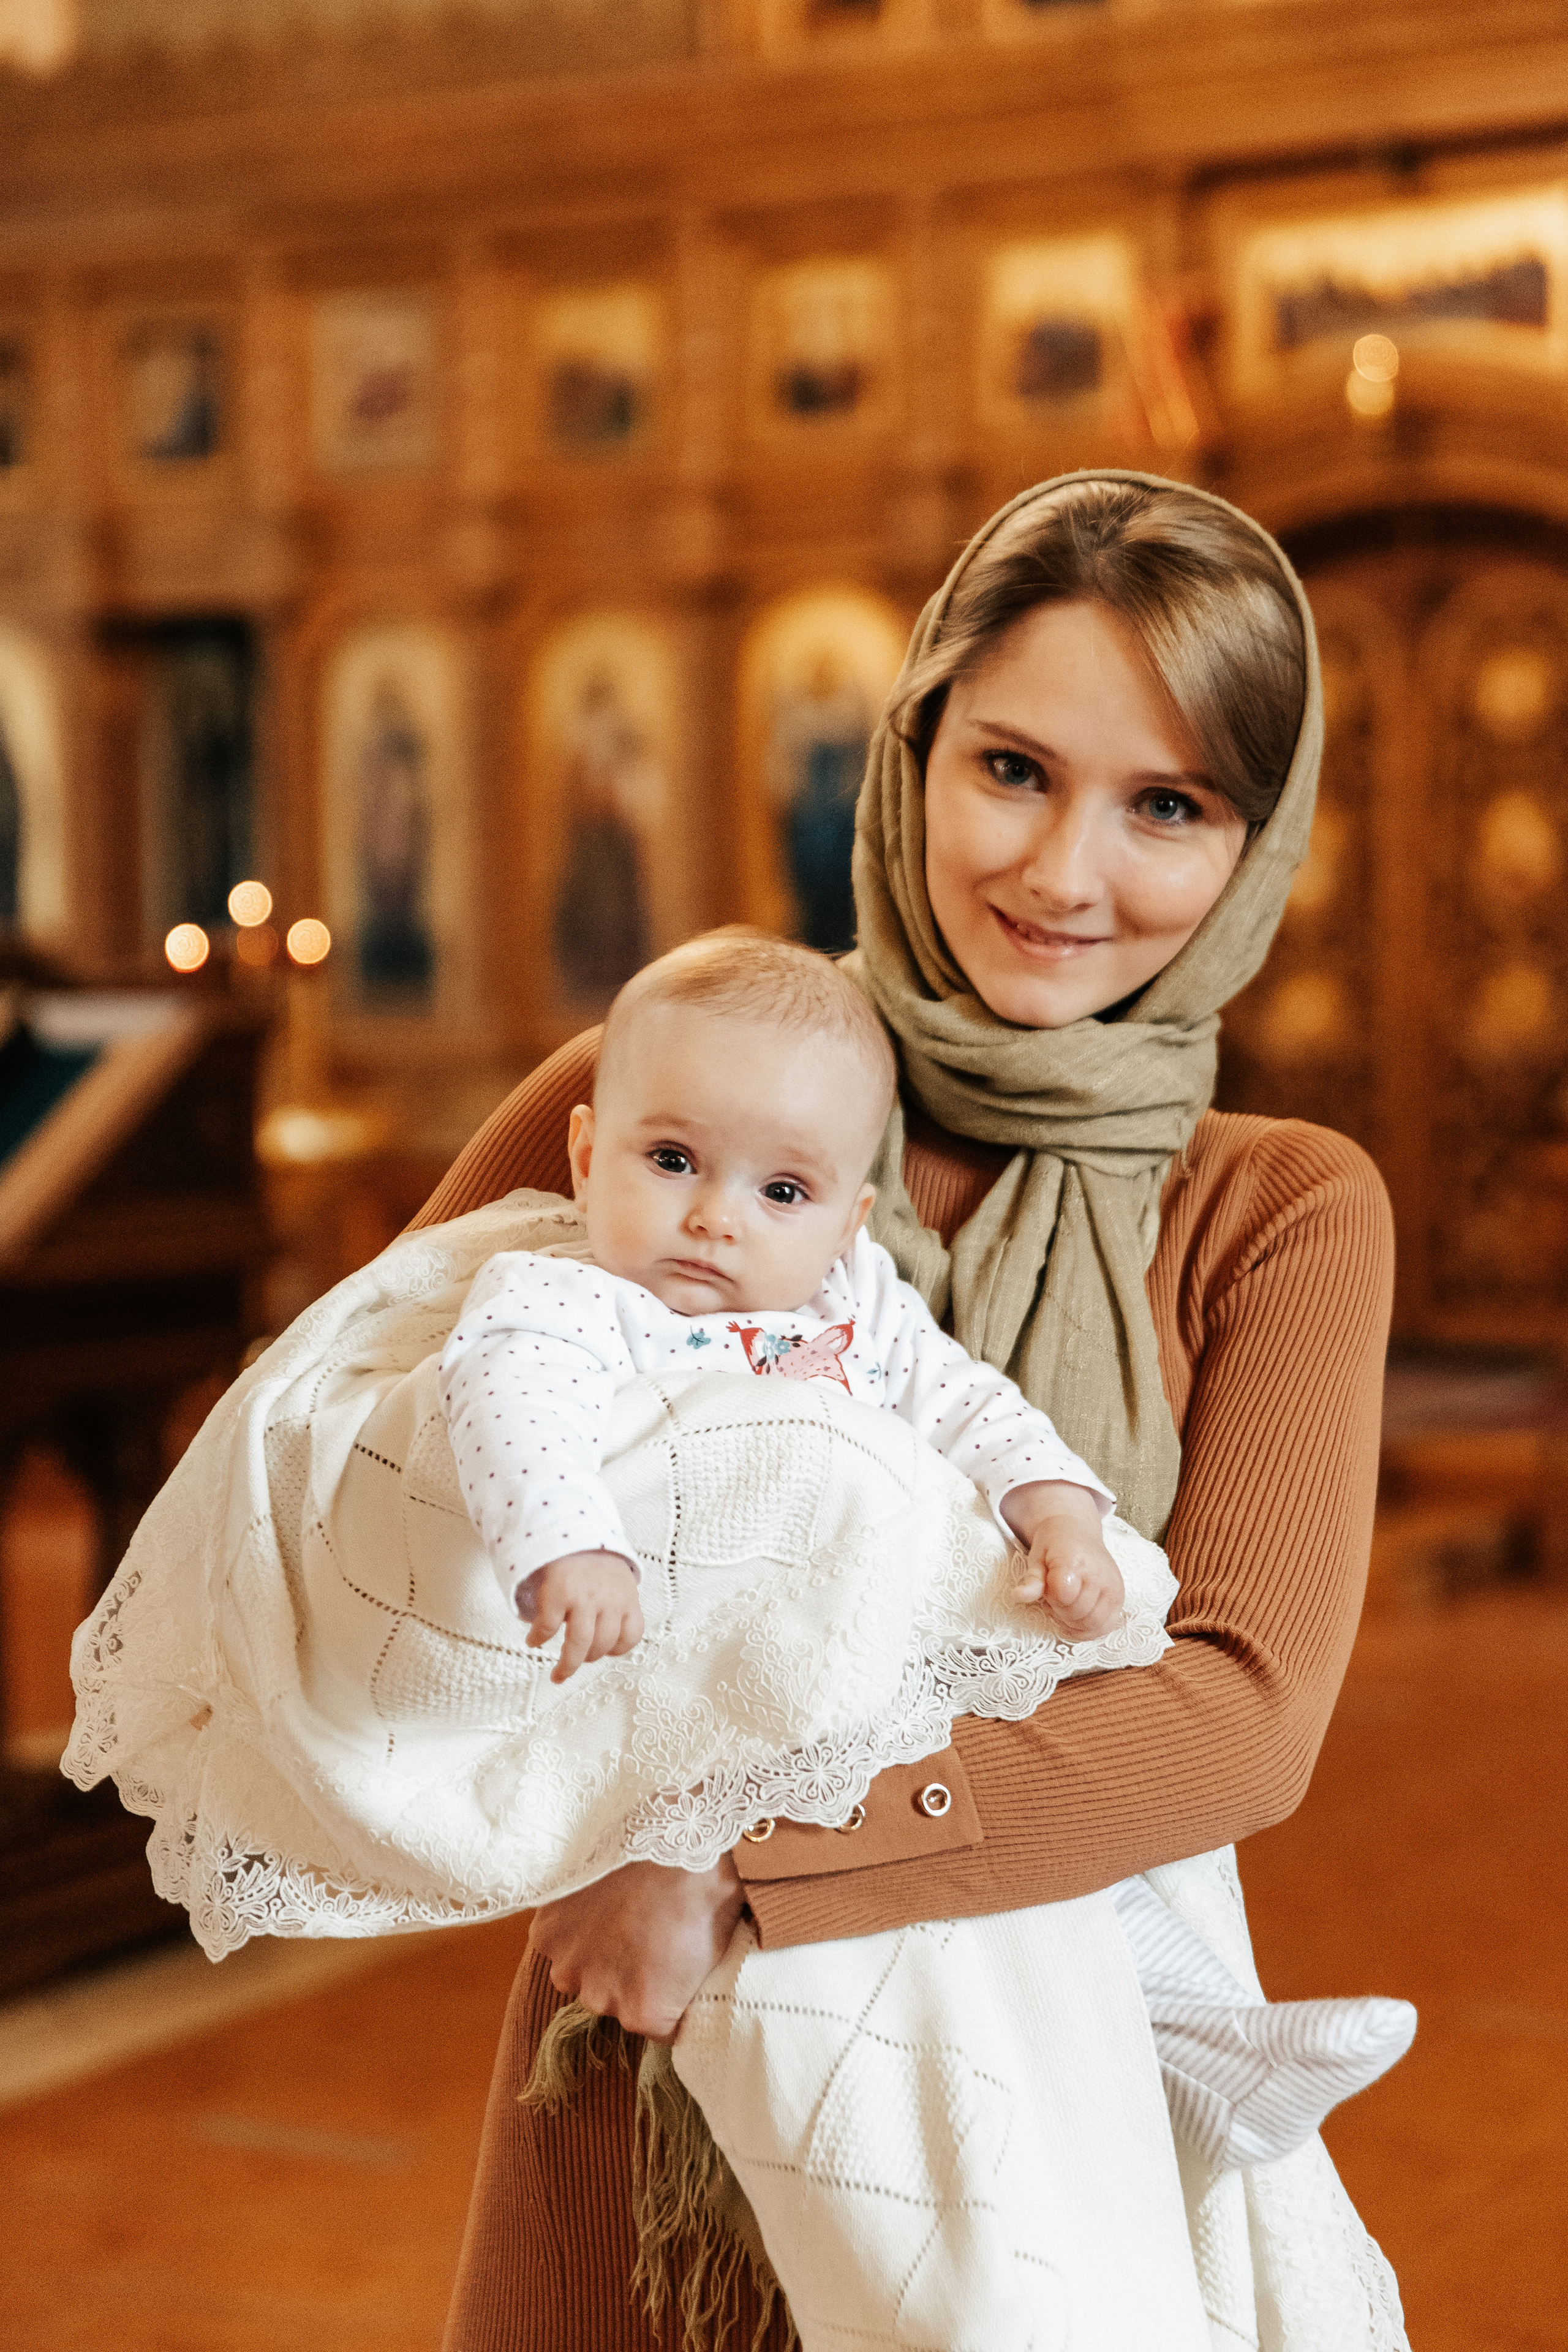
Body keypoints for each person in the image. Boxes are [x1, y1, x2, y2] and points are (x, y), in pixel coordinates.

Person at [412, 471, 1403, 2350]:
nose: (1062, 872)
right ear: (911, 749)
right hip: (635, 2042)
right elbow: (365, 1471)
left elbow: (1241, 1715)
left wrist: (742, 1868)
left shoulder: (1279, 1207)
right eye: (1012, 769)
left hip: (1030, 2082)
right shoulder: (667, 1097)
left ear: (1256, 847)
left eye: (1168, 806)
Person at [439, 929, 1414, 2209]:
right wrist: (569, 1543)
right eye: (671, 1163)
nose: (714, 1216)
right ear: (586, 1154)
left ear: (850, 1216)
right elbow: (486, 1398)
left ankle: (1196, 2038)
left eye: (779, 1195)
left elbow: (966, 1402)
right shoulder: (569, 1294)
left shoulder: (852, 1299)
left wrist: (1054, 1508)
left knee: (1048, 1851)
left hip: (868, 1685)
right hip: (692, 1695)